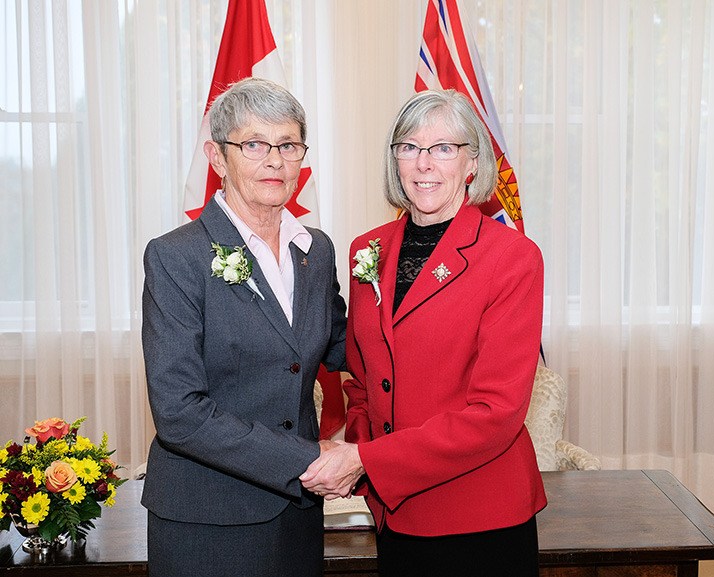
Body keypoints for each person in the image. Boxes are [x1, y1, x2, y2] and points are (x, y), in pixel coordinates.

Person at [300, 89, 546, 577]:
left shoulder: (512, 258)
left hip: (480, 517)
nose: (424, 163)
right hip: (395, 514)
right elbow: (363, 380)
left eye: (443, 148)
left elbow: (495, 414)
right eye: (409, 147)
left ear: (472, 162)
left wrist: (368, 460)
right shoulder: (367, 249)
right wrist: (363, 458)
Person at [141, 77, 346, 577]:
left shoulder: (315, 250)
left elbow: (348, 350)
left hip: (298, 517)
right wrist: (307, 458)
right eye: (254, 144)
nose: (274, 160)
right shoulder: (176, 256)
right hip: (207, 521)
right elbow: (179, 413)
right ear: (217, 157)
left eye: (289, 144)